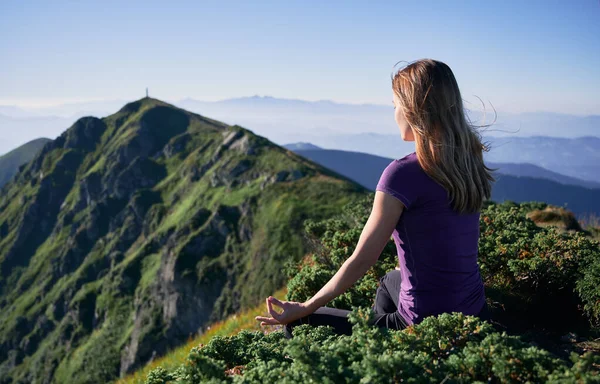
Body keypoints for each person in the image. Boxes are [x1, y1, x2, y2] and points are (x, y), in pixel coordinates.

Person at [255, 59, 494, 338]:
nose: (394, 114)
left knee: (296, 326)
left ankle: (383, 348)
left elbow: (362, 259)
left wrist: (305, 306)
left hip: (425, 325)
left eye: (394, 105)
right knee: (391, 279)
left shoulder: (401, 174)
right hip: (474, 312)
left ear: (412, 108)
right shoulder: (468, 159)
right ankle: (379, 335)